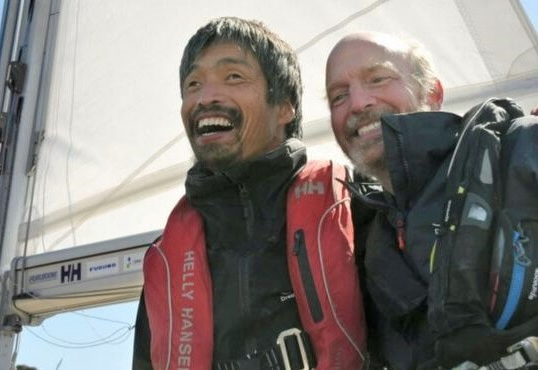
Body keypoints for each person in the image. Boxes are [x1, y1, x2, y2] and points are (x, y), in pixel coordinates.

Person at [132, 17, 366, 370]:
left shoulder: (357, 209)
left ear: (285, 107)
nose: (205, 97)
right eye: (193, 84)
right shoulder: (166, 261)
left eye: (233, 77)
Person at [326, 32, 538, 369]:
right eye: (338, 97)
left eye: (378, 79)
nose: (357, 103)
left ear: (432, 92)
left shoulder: (522, 153)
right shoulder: (355, 244)